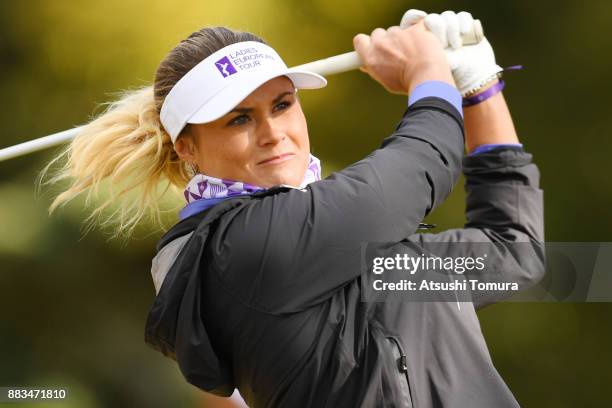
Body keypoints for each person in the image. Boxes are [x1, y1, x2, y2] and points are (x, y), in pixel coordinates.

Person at [42, 9, 544, 408]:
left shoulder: (361, 259)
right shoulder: (237, 252)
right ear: (186, 149)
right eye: (239, 119)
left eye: (282, 104)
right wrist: (429, 74)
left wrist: (480, 86)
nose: (273, 132)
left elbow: (514, 252)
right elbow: (414, 176)